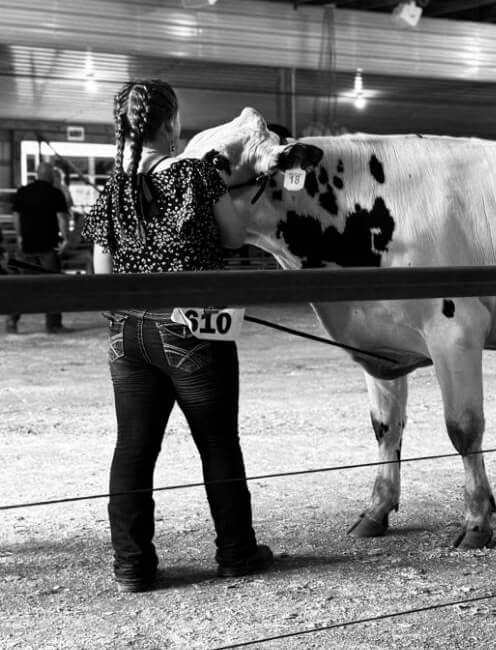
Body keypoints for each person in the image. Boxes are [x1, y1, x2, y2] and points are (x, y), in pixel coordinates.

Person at [82, 79, 272, 593]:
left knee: (133, 450)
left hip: (128, 334)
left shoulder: (113, 191)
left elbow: (103, 274)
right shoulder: (195, 174)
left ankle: (132, 565)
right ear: (170, 124)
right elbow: (233, 237)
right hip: (190, 330)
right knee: (217, 444)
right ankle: (236, 552)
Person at [5, 161, 71, 334]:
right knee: (53, 287)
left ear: (36, 174)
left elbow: (16, 217)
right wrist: (65, 239)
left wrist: (20, 237)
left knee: (23, 287)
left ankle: (12, 321)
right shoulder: (55, 193)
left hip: (27, 247)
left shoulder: (23, 192)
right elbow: (62, 218)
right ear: (49, 176)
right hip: (48, 247)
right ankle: (53, 324)